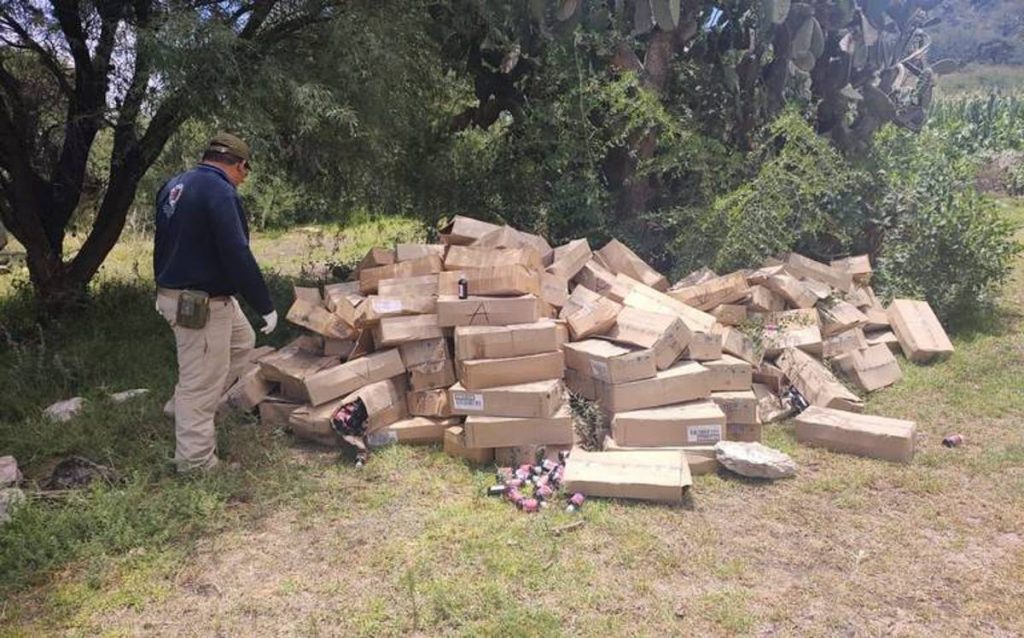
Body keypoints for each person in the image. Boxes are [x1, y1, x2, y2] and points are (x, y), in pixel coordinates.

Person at [153, 132, 277, 472]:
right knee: (200, 381)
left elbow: (165, 241)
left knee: (242, 341)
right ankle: (196, 463)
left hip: (179, 293)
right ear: (239, 164)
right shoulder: (221, 191)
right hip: (200, 303)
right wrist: (263, 303)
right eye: (245, 171)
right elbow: (236, 252)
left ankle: (185, 410)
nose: (243, 178)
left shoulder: (174, 186)